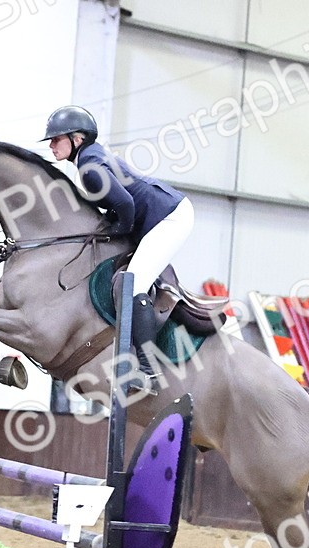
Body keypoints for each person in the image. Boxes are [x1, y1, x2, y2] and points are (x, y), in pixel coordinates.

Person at [41, 105, 194, 394]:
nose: (51, 145)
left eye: (56, 139)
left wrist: (117, 230)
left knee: (131, 285)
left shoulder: (89, 166)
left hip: (169, 217)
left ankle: (148, 371)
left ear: (77, 138)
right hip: (158, 214)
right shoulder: (89, 157)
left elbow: (125, 205)